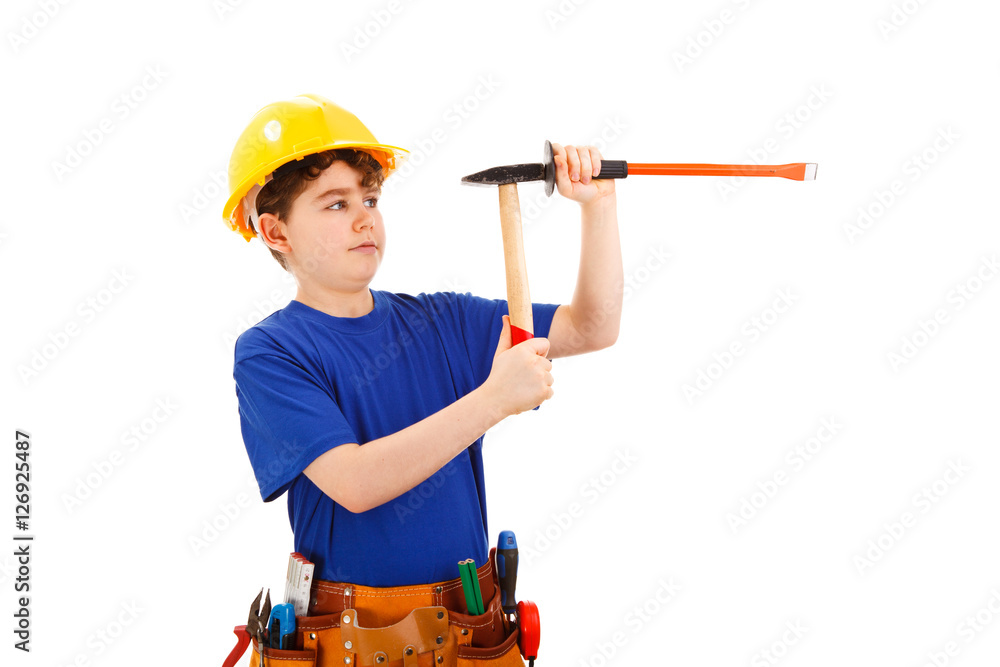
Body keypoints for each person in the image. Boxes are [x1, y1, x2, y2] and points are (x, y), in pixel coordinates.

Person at [224, 94, 622, 665]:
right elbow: (355, 484)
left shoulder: (444, 321)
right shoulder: (271, 352)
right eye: (335, 205)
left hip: (470, 627)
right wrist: (492, 401)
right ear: (276, 232)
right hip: (349, 640)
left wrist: (598, 206)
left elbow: (592, 327)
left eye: (370, 198)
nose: (365, 217)